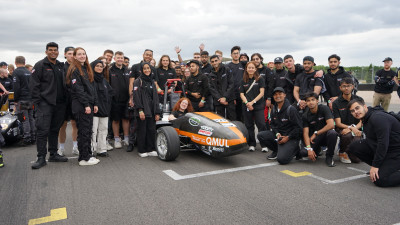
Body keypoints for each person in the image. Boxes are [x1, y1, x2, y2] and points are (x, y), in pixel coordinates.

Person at [30, 42, 68, 169]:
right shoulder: (40, 65)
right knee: (42, 131)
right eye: (50, 50)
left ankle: (53, 154)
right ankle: (41, 158)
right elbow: (34, 85)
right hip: (45, 103)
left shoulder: (60, 66)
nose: (53, 52)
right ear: (46, 51)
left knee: (54, 130)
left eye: (55, 50)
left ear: (58, 52)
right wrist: (38, 102)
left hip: (60, 104)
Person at [348, 99, 400, 187]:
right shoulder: (366, 118)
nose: (355, 112)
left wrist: (375, 165)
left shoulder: (377, 118)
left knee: (380, 180)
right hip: (388, 149)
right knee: (354, 146)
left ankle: (379, 169)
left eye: (357, 108)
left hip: (396, 151)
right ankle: (381, 168)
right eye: (352, 111)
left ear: (364, 106)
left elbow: (383, 143)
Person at [66, 47, 99, 166]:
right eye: (79, 54)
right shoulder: (74, 69)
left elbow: (91, 88)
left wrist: (94, 103)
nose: (82, 56)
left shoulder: (86, 68)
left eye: (84, 54)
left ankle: (88, 155)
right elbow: (78, 90)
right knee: (84, 132)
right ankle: (84, 158)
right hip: (81, 105)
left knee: (87, 131)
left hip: (88, 104)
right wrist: (86, 105)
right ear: (74, 56)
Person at [257, 87, 302, 162]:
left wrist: (288, 137)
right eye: (275, 94)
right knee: (261, 135)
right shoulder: (274, 109)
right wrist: (277, 133)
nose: (277, 96)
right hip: (280, 136)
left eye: (280, 94)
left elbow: (299, 128)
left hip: (291, 137)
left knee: (282, 160)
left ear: (284, 95)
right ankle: (277, 150)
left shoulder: (291, 109)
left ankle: (295, 149)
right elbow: (272, 125)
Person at [299, 92, 337, 167]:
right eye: (308, 101)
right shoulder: (305, 115)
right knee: (304, 153)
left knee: (332, 133)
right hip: (314, 139)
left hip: (325, 136)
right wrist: (309, 149)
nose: (311, 102)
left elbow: (331, 125)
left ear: (317, 101)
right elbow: (305, 134)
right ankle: (316, 149)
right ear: (306, 103)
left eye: (313, 100)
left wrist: (316, 133)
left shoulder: (324, 108)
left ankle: (329, 156)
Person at [332, 77, 363, 164]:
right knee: (347, 136)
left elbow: (363, 119)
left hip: (357, 127)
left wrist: (354, 128)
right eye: (344, 86)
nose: (346, 88)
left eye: (348, 86)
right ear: (340, 88)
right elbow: (338, 123)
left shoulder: (359, 100)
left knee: (356, 160)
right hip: (342, 128)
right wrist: (351, 128)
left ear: (352, 87)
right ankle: (342, 152)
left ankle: (351, 151)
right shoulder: (336, 103)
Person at [133, 62, 161, 157]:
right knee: (142, 130)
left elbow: (156, 97)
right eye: (144, 68)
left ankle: (150, 148)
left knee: (151, 130)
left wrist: (157, 112)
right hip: (143, 111)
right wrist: (140, 110)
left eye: (148, 68)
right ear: (141, 70)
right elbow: (136, 97)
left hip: (152, 111)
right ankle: (141, 150)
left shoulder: (152, 82)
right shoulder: (138, 81)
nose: (147, 70)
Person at [239, 61, 267, 151]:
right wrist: (247, 103)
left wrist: (252, 102)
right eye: (249, 68)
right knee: (249, 125)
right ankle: (252, 144)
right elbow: (241, 94)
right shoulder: (243, 80)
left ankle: (264, 145)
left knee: (261, 124)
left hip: (258, 105)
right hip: (246, 106)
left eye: (252, 68)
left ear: (255, 69)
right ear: (246, 69)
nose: (250, 69)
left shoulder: (260, 79)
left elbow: (262, 93)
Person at [58, 46, 79, 156]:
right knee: (63, 125)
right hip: (64, 100)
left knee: (75, 124)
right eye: (69, 53)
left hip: (75, 99)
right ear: (65, 54)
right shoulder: (61, 67)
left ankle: (75, 147)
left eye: (73, 54)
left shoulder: (78, 67)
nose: (71, 56)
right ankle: (61, 148)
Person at [91, 60, 113, 157]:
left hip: (104, 110)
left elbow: (110, 92)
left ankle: (101, 149)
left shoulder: (104, 80)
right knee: (93, 131)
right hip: (94, 110)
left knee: (103, 130)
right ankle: (91, 150)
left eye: (101, 66)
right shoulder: (90, 79)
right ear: (93, 67)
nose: (99, 68)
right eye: (97, 66)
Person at [12, 56, 35, 146]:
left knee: (24, 119)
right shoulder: (28, 72)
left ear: (15, 62)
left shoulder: (16, 72)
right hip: (30, 99)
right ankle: (33, 136)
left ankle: (27, 138)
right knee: (31, 118)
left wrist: (15, 99)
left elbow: (16, 87)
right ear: (24, 62)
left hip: (22, 99)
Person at [109, 51, 131, 148]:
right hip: (115, 100)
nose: (120, 59)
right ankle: (117, 139)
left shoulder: (127, 70)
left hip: (127, 99)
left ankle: (126, 138)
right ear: (114, 58)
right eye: (118, 57)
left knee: (126, 119)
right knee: (116, 120)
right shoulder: (110, 70)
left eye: (121, 58)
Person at [208, 55, 235, 120]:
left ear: (219, 60)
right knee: (221, 120)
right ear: (211, 63)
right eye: (212, 61)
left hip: (229, 99)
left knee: (232, 119)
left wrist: (225, 97)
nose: (214, 63)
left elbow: (231, 84)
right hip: (218, 101)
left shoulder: (227, 69)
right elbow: (211, 88)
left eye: (216, 61)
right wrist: (220, 98)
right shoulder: (210, 75)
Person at [227, 46, 245, 121]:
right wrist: (231, 97)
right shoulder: (227, 66)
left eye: (237, 53)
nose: (236, 55)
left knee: (242, 117)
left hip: (242, 95)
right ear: (231, 55)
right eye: (234, 53)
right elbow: (226, 83)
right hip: (231, 96)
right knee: (232, 118)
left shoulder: (243, 65)